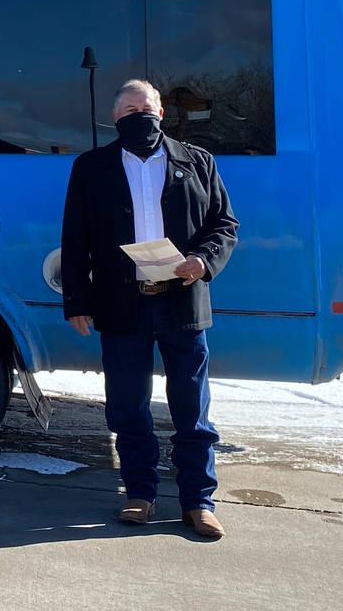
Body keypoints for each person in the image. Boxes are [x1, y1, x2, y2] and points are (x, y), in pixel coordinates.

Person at [61, 79, 237, 538]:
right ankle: (139, 493)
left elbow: (224, 224)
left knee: (191, 407)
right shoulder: (91, 167)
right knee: (127, 405)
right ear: (117, 118)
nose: (141, 113)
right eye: (130, 108)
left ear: (161, 112)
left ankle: (198, 501)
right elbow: (75, 239)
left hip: (182, 301)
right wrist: (77, 300)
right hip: (122, 304)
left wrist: (203, 260)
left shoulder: (197, 162)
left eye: (148, 106)